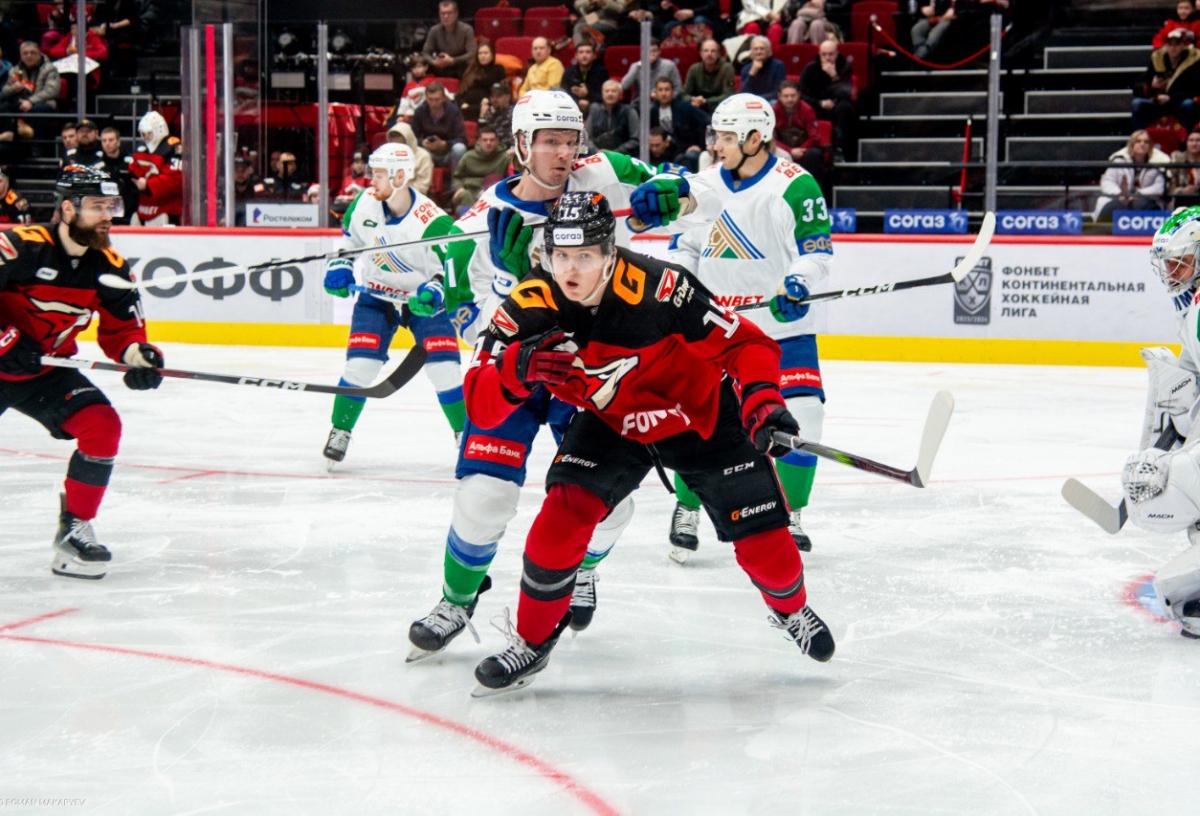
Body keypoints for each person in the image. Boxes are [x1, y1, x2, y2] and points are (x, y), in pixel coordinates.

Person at [466, 191, 835, 695]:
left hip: (699, 415)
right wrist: (515, 369)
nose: (570, 270)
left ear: (610, 254)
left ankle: (791, 608)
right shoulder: (530, 304)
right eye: (561, 257)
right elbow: (480, 405)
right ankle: (532, 642)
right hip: (612, 421)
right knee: (558, 522)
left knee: (767, 545)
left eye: (585, 257)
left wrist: (763, 400)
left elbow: (746, 344)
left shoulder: (663, 287)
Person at [406, 89, 670, 662]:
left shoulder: (605, 174)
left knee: (611, 503)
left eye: (571, 140)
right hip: (520, 370)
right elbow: (470, 323)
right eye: (550, 141)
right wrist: (510, 284)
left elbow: (687, 190)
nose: (564, 153)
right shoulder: (479, 224)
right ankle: (457, 598)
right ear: (522, 144)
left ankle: (586, 569)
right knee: (483, 496)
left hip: (591, 366)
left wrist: (671, 199)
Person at [628, 93, 833, 560]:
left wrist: (798, 283)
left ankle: (792, 510)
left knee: (806, 416)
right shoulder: (701, 186)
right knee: (696, 421)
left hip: (783, 330)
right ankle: (688, 506)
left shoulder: (796, 186)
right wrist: (679, 291)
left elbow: (816, 252)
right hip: (714, 329)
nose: (716, 145)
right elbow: (685, 250)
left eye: (725, 136)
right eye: (715, 135)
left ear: (755, 137)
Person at [0, 165, 162, 580]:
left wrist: (138, 357)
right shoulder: (21, 246)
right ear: (68, 209)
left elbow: (123, 330)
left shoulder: (110, 267)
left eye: (113, 206)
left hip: (44, 372)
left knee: (102, 426)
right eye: (98, 206)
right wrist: (5, 340)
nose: (109, 215)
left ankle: (74, 531)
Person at [321, 143, 467, 467]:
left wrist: (435, 292)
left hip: (422, 303)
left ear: (400, 176)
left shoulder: (434, 223)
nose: (371, 180)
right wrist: (340, 266)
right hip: (377, 297)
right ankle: (339, 430)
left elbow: (453, 269)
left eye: (379, 174)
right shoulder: (364, 204)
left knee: (446, 371)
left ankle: (465, 435)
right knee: (360, 368)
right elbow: (350, 239)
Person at [1118, 206, 1200, 638]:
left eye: (1180, 260)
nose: (1171, 271)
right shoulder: (1193, 309)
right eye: (1167, 262)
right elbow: (1192, 376)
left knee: (1165, 488)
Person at [1133, 27, 1200, 132]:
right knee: (1137, 103)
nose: (1173, 48)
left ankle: (1185, 141)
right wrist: (1151, 86)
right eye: (1170, 45)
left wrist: (1171, 98)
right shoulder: (1158, 60)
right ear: (1165, 46)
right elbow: (1137, 87)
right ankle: (1140, 138)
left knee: (1188, 104)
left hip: (1178, 102)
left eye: (1177, 45)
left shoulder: (1193, 62)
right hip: (1159, 102)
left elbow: (1195, 90)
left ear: (1183, 46)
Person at [800, 38, 856, 162]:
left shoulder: (844, 67)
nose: (827, 58)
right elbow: (801, 95)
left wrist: (834, 77)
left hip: (836, 107)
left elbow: (846, 94)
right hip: (816, 106)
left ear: (837, 54)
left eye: (830, 54)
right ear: (819, 54)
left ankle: (840, 148)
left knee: (845, 107)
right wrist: (820, 103)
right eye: (824, 55)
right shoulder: (810, 68)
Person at [1095, 130, 1170, 221]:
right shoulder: (1120, 161)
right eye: (1138, 141)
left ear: (1150, 146)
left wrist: (1139, 194)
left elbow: (1160, 187)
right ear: (1132, 145)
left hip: (1145, 200)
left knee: (1143, 205)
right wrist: (1120, 194)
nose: (1142, 144)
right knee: (1111, 206)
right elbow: (1107, 181)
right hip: (1119, 198)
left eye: (1146, 142)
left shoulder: (1156, 163)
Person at [0, 41, 60, 156]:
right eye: (25, 53)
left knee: (39, 110)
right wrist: (13, 88)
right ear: (21, 55)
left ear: (39, 53)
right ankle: (9, 143)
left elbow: (51, 91)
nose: (29, 56)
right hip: (21, 103)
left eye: (32, 53)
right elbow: (5, 92)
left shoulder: (49, 69)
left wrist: (31, 101)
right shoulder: (16, 70)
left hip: (44, 103)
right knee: (4, 107)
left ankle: (36, 148)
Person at [128, 110, 181, 225]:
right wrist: (136, 180)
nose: (145, 137)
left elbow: (174, 180)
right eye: (142, 134)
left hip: (166, 211)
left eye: (148, 133)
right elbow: (133, 169)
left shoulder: (174, 147)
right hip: (143, 210)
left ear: (159, 130)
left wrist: (148, 185)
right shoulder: (141, 147)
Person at [650, 76, 711, 171]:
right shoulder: (653, 111)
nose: (663, 93)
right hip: (664, 152)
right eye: (660, 90)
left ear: (673, 92)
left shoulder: (685, 108)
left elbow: (706, 122)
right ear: (655, 93)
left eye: (667, 90)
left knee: (689, 157)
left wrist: (700, 146)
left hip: (685, 150)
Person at [774, 79, 825, 186]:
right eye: (786, 96)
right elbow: (771, 139)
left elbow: (815, 137)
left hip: (804, 150)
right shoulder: (773, 111)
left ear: (799, 95)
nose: (789, 99)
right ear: (779, 96)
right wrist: (790, 151)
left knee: (815, 155)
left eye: (793, 95)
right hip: (783, 149)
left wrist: (801, 150)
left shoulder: (807, 110)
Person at [412, 82, 468, 174]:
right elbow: (412, 138)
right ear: (426, 98)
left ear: (444, 98)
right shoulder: (420, 112)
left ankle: (456, 185)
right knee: (415, 149)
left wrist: (445, 144)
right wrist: (423, 142)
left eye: (437, 99)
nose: (434, 103)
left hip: (448, 152)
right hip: (427, 152)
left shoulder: (453, 111)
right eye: (430, 99)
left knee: (460, 148)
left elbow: (462, 139)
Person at [451, 125, 510, 212]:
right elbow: (457, 177)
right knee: (464, 196)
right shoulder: (468, 157)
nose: (488, 143)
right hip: (470, 193)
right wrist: (459, 188)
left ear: (497, 142)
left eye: (492, 140)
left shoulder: (505, 157)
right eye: (485, 140)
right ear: (479, 141)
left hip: (493, 194)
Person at [619, 39, 682, 106]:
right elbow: (625, 86)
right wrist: (639, 66)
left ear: (659, 51)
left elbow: (678, 89)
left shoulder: (669, 65)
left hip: (663, 104)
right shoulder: (636, 66)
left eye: (654, 51)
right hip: (639, 104)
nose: (651, 54)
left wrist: (664, 97)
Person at [683, 38, 736, 115]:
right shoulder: (694, 69)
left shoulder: (727, 68)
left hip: (720, 107)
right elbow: (684, 94)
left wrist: (706, 101)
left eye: (713, 51)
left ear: (718, 54)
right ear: (700, 53)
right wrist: (693, 99)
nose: (709, 54)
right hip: (698, 106)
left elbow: (728, 95)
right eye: (706, 51)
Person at [422, 0, 474, 78]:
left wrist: (453, 60)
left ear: (456, 13)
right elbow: (425, 53)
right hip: (441, 68)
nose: (446, 16)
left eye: (449, 13)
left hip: (461, 68)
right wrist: (434, 62)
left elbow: (472, 53)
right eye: (443, 13)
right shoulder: (434, 30)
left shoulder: (467, 29)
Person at [586, 79, 640, 155]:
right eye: (607, 91)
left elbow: (635, 139)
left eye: (613, 91)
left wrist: (614, 153)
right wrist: (597, 152)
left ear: (620, 95)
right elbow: (586, 138)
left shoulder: (629, 111)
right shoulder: (594, 110)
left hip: (622, 157)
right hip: (597, 156)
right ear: (602, 94)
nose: (610, 94)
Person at [457, 40, 507, 120]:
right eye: (480, 53)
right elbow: (460, 92)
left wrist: (488, 99)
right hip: (466, 106)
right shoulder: (470, 70)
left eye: (486, 53)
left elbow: (501, 91)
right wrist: (462, 103)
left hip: (486, 105)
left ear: (492, 54)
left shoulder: (498, 69)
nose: (482, 56)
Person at [558, 40, 607, 116]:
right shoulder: (569, 72)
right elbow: (563, 94)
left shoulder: (602, 72)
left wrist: (588, 94)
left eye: (588, 52)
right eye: (581, 52)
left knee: (596, 107)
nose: (584, 55)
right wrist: (578, 102)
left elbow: (605, 97)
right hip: (573, 107)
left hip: (594, 107)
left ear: (594, 56)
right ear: (576, 56)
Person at [387, 121, 434, 195]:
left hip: (415, 198)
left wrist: (402, 195)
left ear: (409, 141)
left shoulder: (424, 157)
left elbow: (422, 187)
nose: (398, 149)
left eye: (401, 145)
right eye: (394, 145)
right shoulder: (387, 156)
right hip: (389, 196)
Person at [740, 36, 787, 104]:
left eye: (762, 49)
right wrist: (752, 73)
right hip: (751, 103)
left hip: (769, 102)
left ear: (769, 52)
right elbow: (742, 94)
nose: (759, 52)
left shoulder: (778, 66)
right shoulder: (746, 69)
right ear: (751, 53)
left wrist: (758, 100)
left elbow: (778, 92)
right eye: (755, 49)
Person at [479, 82, 515, 150]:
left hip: (507, 151)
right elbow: (481, 137)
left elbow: (507, 141)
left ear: (507, 97)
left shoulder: (513, 114)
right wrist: (482, 116)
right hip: (491, 150)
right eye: (492, 96)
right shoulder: (490, 113)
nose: (494, 100)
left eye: (498, 96)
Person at [1169, 129, 1200, 204]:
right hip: (1182, 199)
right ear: (1186, 143)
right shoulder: (1178, 159)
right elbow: (1170, 188)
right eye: (1191, 140)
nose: (1194, 144)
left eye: (1198, 140)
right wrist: (1183, 190)